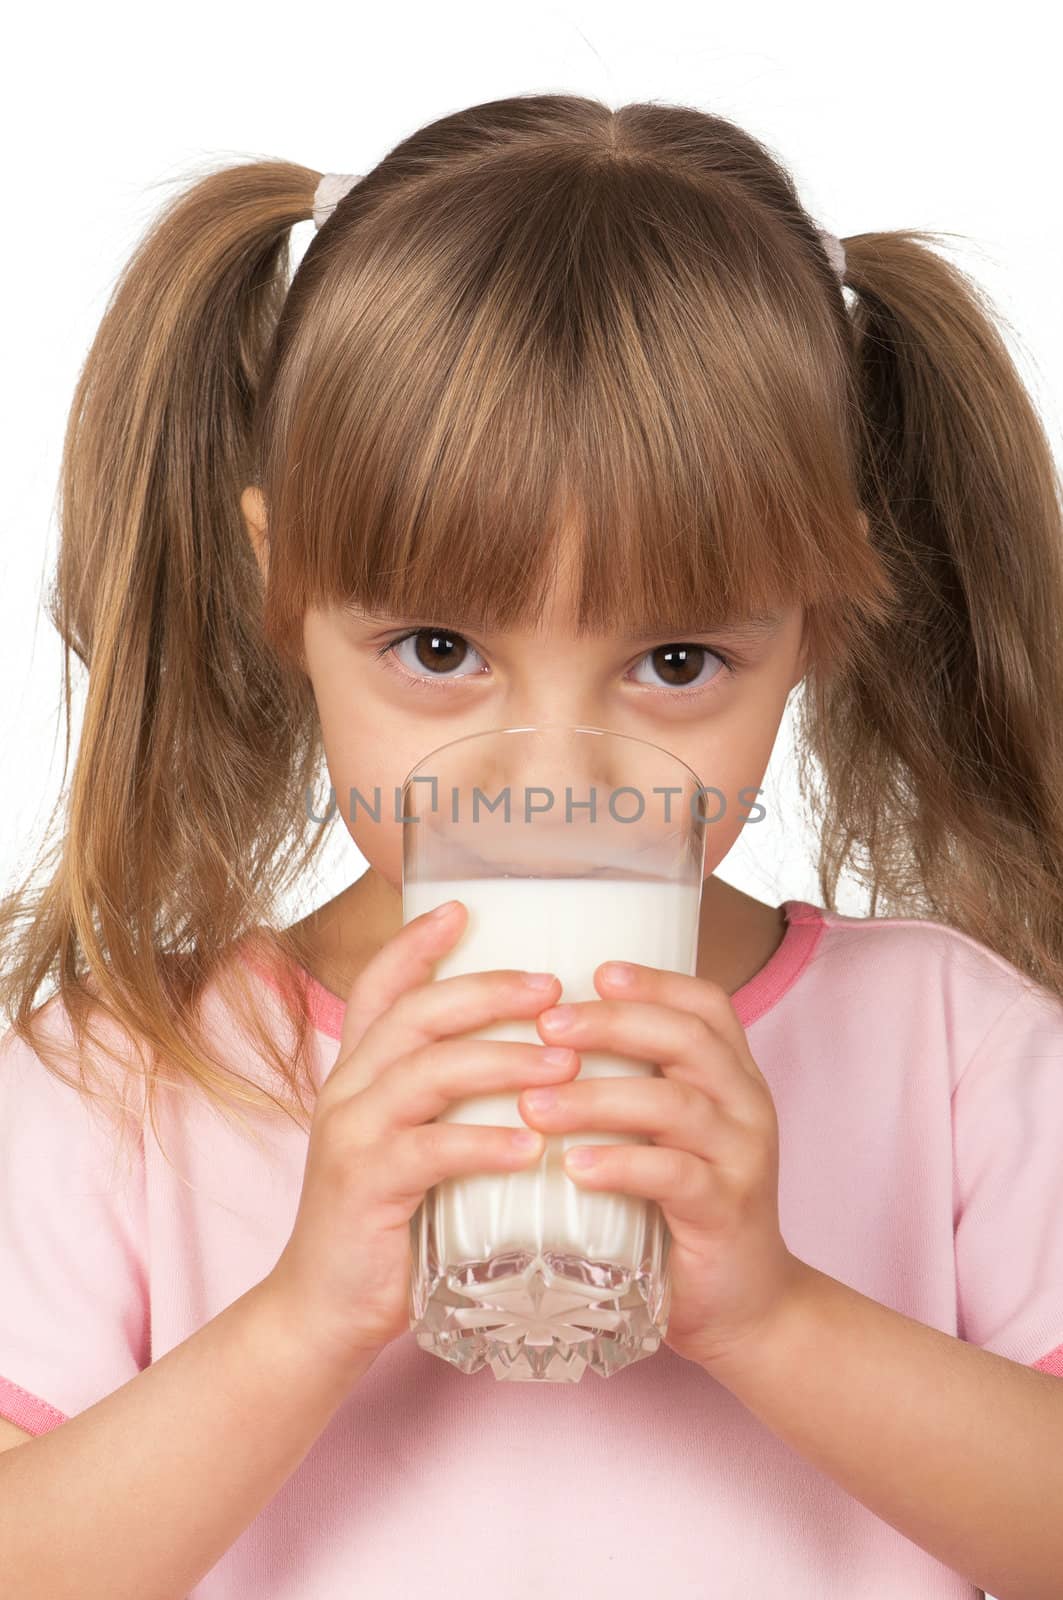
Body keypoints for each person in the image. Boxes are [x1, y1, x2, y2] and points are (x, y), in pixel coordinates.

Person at [0, 91, 1061, 1600]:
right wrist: (301, 1316)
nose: (557, 777)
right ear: (277, 580)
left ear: (819, 621)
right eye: (440, 647)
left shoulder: (953, 1053)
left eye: (677, 664)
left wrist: (773, 1315)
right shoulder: (130, 1084)